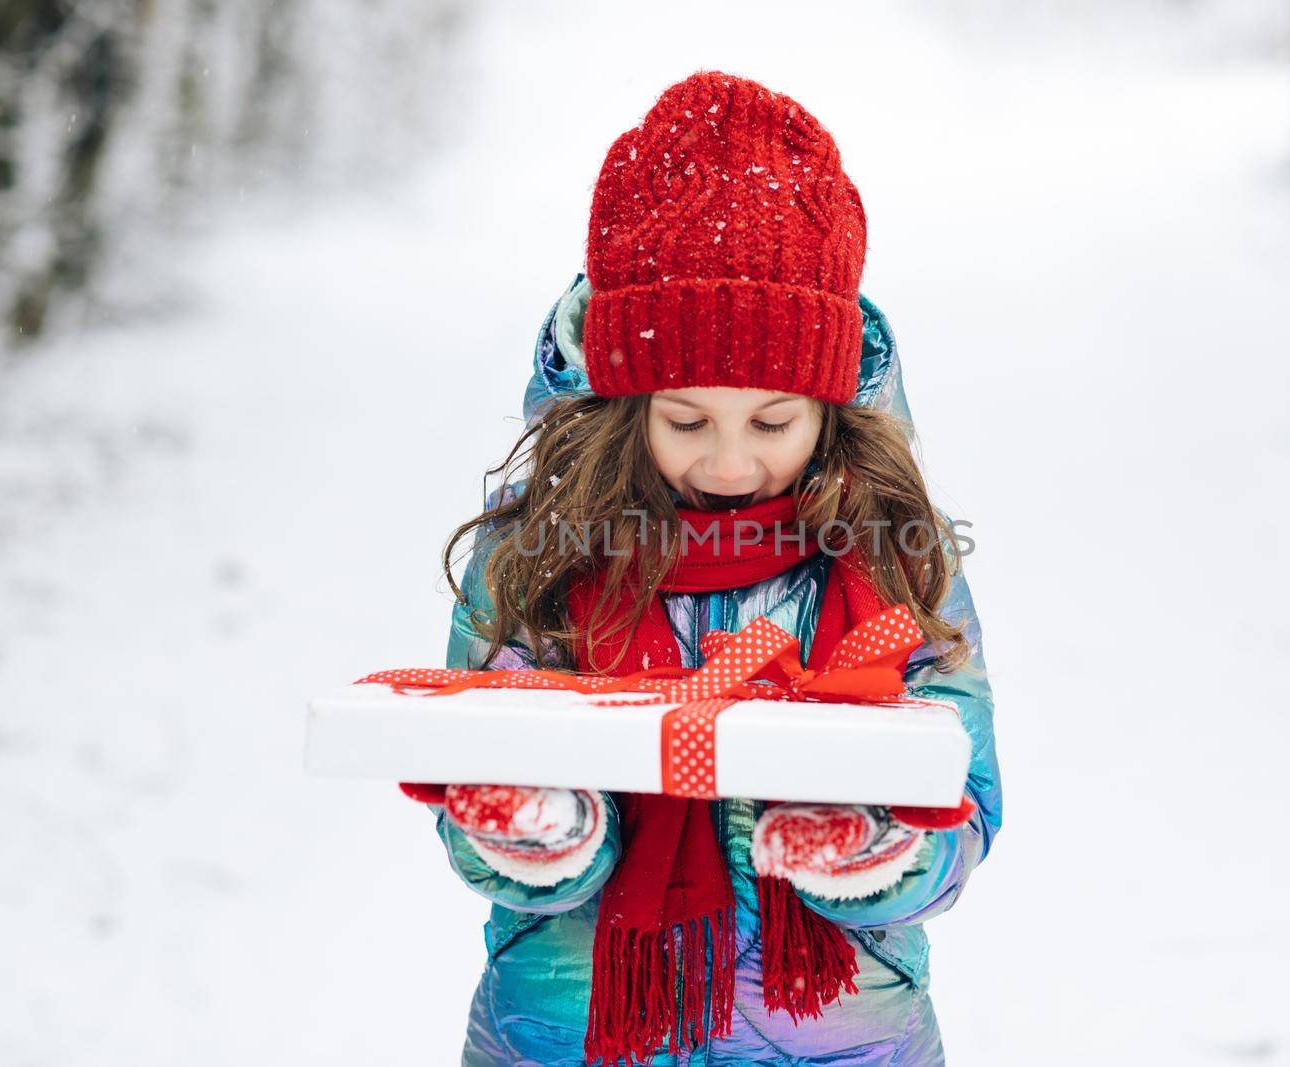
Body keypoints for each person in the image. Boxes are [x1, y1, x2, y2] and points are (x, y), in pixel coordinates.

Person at [401, 70, 1003, 1067]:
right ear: (623, 406)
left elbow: (968, 795)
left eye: (771, 422)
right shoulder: (543, 547)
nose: (729, 463)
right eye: (686, 422)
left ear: (831, 407)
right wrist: (534, 831)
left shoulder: (890, 548)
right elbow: (478, 794)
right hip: (571, 1032)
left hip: (841, 1038)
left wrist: (883, 851)